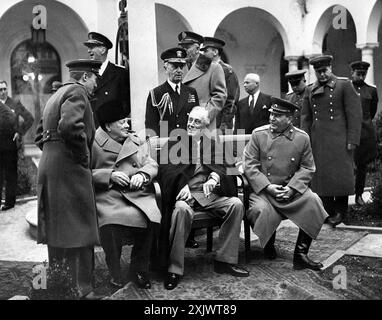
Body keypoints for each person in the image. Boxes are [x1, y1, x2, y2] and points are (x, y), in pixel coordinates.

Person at [158, 106, 249, 290]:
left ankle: (225, 260)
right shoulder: (175, 142)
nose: (191, 124)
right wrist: (180, 184)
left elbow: (226, 166)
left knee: (236, 204)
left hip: (209, 195)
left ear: (206, 125)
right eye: (190, 120)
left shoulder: (212, 143)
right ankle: (174, 268)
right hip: (185, 195)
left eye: (197, 122)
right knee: (181, 210)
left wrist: (215, 177)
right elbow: (165, 170)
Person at [35, 59, 102, 300]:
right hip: (70, 168)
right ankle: (82, 289)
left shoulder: (56, 95)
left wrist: (53, 153)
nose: (96, 84)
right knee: (80, 227)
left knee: (58, 229)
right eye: (95, 78)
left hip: (50, 167)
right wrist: (82, 157)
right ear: (85, 77)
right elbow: (71, 126)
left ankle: (59, 285)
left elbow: (38, 135)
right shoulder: (77, 91)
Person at [244, 97, 328, 270]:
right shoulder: (258, 134)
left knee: (314, 202)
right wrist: (267, 187)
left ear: (289, 118)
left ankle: (301, 255)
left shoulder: (302, 138)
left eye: (278, 115)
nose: (272, 118)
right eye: (271, 114)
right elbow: (249, 165)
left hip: (290, 190)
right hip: (264, 191)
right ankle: (268, 243)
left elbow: (307, 167)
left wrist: (292, 188)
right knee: (260, 210)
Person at [92, 100, 161, 289]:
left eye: (127, 121)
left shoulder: (135, 140)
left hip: (136, 193)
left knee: (150, 217)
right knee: (111, 223)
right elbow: (83, 173)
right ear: (108, 126)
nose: (127, 125)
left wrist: (143, 174)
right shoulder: (93, 142)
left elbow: (151, 164)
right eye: (121, 122)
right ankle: (115, 270)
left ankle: (139, 269)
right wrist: (109, 175)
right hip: (109, 195)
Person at [301, 55, 362, 227]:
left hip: (340, 140)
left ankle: (341, 212)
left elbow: (354, 115)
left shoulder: (344, 85)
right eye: (318, 72)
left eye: (324, 71)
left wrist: (352, 140)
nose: (322, 75)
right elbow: (306, 118)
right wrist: (305, 140)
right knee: (322, 176)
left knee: (341, 176)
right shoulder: (310, 89)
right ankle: (326, 212)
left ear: (330, 68)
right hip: (318, 140)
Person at [145, 47, 199, 138]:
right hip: (166, 146)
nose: (179, 71)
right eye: (174, 66)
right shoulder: (156, 93)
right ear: (166, 68)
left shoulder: (191, 92)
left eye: (181, 67)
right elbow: (151, 126)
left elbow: (197, 121)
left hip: (188, 144)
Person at [179, 31, 227, 131]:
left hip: (203, 124)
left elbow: (220, 96)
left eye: (187, 47)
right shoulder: (179, 68)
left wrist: (205, 116)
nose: (184, 51)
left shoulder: (213, 67)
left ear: (197, 48)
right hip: (182, 123)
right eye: (182, 47)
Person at [84, 31, 130, 128]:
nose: (88, 51)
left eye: (92, 47)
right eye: (88, 48)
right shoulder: (86, 74)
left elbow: (126, 105)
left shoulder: (120, 73)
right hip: (91, 130)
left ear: (103, 50)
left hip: (111, 131)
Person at [0, 80, 34, 211]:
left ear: (7, 89)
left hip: (10, 146)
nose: (2, 92)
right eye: (0, 90)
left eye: (4, 89)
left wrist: (19, 132)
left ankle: (9, 203)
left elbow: (29, 118)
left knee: (10, 175)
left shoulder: (15, 104)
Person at [349, 61, 379, 206]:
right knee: (346, 166)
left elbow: (371, 112)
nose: (360, 77)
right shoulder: (346, 89)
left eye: (363, 74)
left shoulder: (371, 90)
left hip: (364, 134)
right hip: (347, 133)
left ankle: (358, 195)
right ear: (352, 73)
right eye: (358, 74)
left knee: (361, 166)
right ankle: (342, 197)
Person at [200, 37, 240, 132]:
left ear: (215, 52)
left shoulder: (227, 71)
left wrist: (224, 124)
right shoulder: (206, 70)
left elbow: (231, 101)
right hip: (206, 120)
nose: (203, 54)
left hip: (219, 123)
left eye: (206, 51)